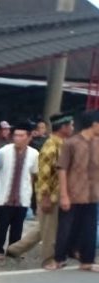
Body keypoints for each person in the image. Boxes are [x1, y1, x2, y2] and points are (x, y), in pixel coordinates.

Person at [8, 113, 74, 264]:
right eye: (70, 125)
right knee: (49, 230)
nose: (72, 128)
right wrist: (44, 198)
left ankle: (15, 249)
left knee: (44, 227)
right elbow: (43, 175)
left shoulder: (63, 144)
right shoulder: (50, 146)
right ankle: (48, 259)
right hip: (51, 195)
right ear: (63, 127)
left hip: (61, 193)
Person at [50, 110, 99, 272]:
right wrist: (64, 195)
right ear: (94, 124)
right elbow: (62, 169)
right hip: (72, 194)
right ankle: (59, 259)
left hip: (93, 194)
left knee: (89, 230)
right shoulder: (71, 143)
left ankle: (87, 262)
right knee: (65, 229)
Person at [0, 125, 39, 259]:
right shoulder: (3, 151)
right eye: (16, 135)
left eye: (21, 136)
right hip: (4, 193)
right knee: (1, 224)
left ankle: (13, 249)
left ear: (29, 137)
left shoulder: (34, 154)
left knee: (18, 226)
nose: (17, 138)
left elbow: (34, 174)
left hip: (22, 195)